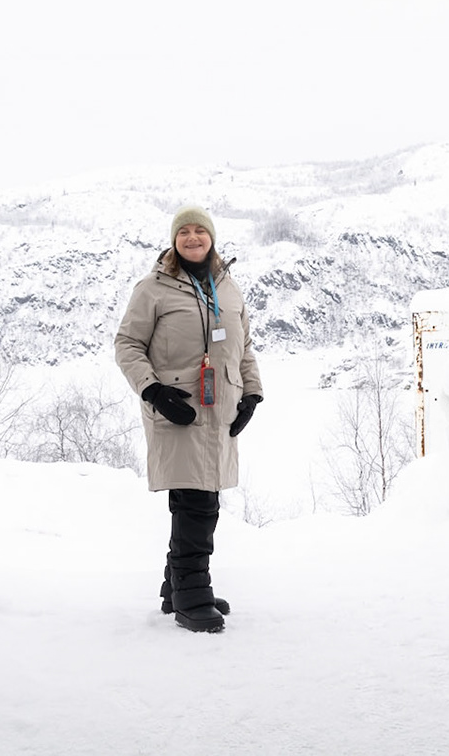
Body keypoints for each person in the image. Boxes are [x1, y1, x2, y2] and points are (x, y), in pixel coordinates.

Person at [114, 205, 264, 633]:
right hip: (177, 408)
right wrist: (153, 391)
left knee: (203, 496)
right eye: (185, 232)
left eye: (201, 231)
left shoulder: (227, 286)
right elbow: (127, 344)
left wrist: (252, 393)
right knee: (196, 501)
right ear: (174, 240)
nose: (193, 238)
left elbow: (245, 346)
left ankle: (175, 586)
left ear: (212, 238)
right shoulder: (153, 288)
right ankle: (191, 596)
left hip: (220, 409)